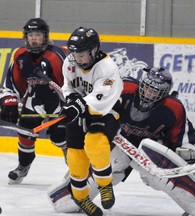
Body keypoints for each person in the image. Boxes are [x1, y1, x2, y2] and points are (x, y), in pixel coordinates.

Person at [48, 67, 195, 216]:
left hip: (147, 154)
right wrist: (81, 110)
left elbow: (180, 141)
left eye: (154, 91)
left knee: (157, 175)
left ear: (164, 94)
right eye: (147, 88)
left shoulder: (173, 109)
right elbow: (97, 102)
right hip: (118, 145)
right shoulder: (124, 88)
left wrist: (188, 156)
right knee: (108, 165)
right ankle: (69, 194)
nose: (148, 93)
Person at [58, 26, 123, 216]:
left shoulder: (107, 68)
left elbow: (101, 97)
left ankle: (104, 184)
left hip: (106, 111)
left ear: (94, 50)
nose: (78, 58)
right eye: (75, 54)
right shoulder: (69, 62)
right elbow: (67, 86)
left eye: (83, 54)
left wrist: (77, 106)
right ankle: (81, 198)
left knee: (95, 143)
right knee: (76, 158)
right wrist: (70, 100)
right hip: (80, 109)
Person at [0, 18, 67, 185]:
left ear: (45, 37)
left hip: (57, 102)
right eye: (30, 35)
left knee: (61, 137)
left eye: (38, 35)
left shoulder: (57, 56)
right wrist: (9, 101)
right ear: (25, 37)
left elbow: (71, 83)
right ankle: (23, 165)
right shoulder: (20, 56)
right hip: (34, 101)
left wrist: (71, 104)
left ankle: (75, 166)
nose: (34, 38)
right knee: (25, 133)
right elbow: (12, 83)